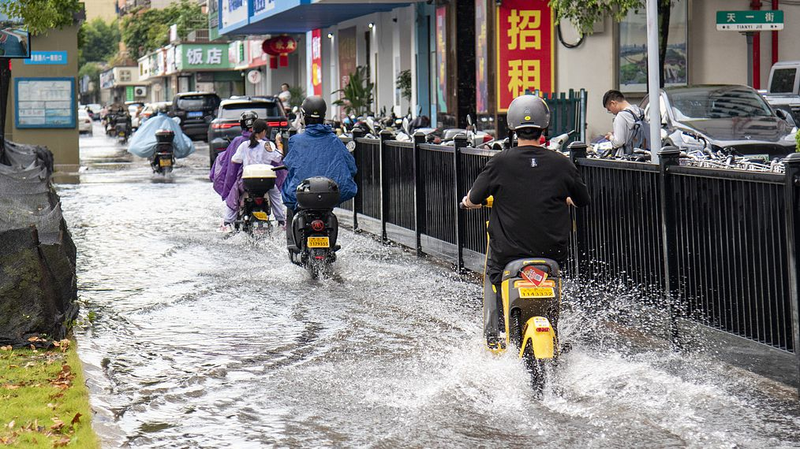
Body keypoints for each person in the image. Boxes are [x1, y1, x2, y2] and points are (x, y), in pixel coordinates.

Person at [461, 94, 590, 346]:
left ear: (512, 127)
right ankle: (553, 326)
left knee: (493, 275)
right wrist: (565, 199)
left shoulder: (499, 161)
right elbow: (582, 199)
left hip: (509, 253)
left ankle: (497, 334)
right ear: (544, 128)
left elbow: (475, 197)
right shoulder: (561, 163)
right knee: (555, 277)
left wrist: (467, 202)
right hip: (552, 252)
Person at [281, 96, 357, 249]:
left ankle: (294, 243)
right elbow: (351, 167)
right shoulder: (334, 140)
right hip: (328, 197)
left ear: (303, 116)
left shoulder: (296, 140)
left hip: (303, 197)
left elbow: (290, 164)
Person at [224, 119, 286, 230]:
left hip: (248, 181)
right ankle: (281, 222)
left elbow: (234, 160)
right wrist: (279, 143)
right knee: (276, 196)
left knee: (234, 195)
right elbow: (278, 157)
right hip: (267, 182)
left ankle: (227, 223)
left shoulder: (244, 145)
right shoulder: (268, 144)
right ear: (263, 132)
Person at [211, 110, 258, 199]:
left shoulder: (238, 141)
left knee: (231, 205)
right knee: (276, 197)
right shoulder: (265, 141)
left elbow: (229, 162)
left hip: (243, 180)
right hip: (264, 180)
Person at [602, 89, 648, 155]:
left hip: (627, 157)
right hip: (643, 154)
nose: (611, 112)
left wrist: (611, 137)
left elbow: (618, 142)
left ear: (613, 103)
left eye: (609, 109)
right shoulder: (640, 111)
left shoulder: (621, 116)